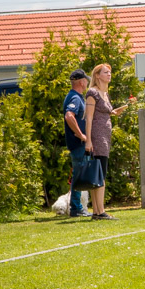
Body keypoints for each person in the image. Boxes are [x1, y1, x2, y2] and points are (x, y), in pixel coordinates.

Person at [85, 63, 128, 220]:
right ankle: (100, 211)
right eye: (106, 72)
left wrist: (114, 112)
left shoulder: (105, 93)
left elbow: (105, 112)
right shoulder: (93, 93)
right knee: (100, 173)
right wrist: (88, 140)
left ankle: (97, 212)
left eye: (110, 72)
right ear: (97, 75)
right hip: (97, 136)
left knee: (99, 173)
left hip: (105, 136)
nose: (109, 74)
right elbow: (89, 118)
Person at [63, 69, 92, 218]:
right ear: (81, 82)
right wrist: (81, 134)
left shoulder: (75, 96)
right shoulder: (75, 97)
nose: (87, 82)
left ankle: (77, 207)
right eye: (86, 80)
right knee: (79, 175)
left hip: (77, 144)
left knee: (79, 174)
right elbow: (69, 116)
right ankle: (76, 208)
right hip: (78, 144)